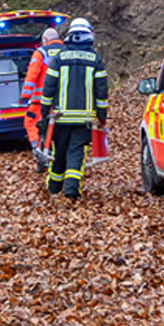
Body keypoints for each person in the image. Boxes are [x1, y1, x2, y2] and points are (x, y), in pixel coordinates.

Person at [37, 18, 108, 201]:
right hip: (83, 119)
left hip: (59, 118)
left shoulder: (60, 57)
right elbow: (101, 91)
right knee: (76, 152)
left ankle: (53, 188)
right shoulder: (95, 59)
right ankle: (71, 189)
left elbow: (49, 85)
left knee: (59, 152)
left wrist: (44, 110)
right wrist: (102, 115)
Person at [21, 27, 65, 169]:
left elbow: (31, 76)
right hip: (63, 100)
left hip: (41, 101)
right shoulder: (67, 52)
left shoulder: (40, 53)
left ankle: (38, 151)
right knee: (54, 128)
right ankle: (50, 154)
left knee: (31, 123)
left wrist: (24, 96)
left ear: (45, 40)